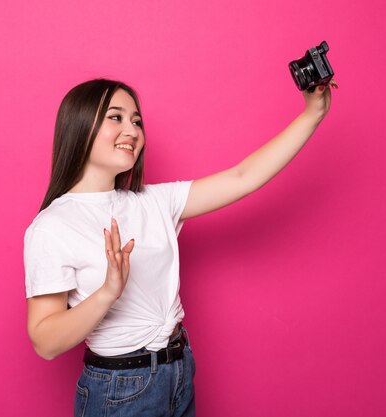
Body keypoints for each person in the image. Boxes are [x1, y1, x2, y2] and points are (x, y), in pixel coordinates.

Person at [24, 77, 337, 416]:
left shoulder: (155, 201)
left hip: (178, 370)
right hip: (119, 389)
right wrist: (107, 292)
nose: (132, 130)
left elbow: (243, 177)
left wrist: (312, 114)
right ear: (80, 124)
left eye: (136, 120)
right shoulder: (53, 226)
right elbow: (45, 341)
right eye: (116, 117)